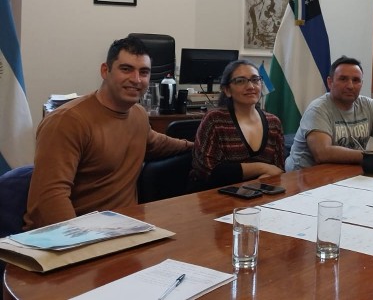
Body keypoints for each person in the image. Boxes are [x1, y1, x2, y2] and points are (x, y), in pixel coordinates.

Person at [24, 36, 193, 229]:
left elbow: (157, 143)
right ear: (105, 71)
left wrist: (195, 146)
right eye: (126, 69)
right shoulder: (67, 121)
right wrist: (81, 241)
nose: (136, 79)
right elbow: (50, 197)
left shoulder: (138, 114)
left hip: (126, 229)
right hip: (73, 235)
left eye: (144, 72)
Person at [285, 56, 373, 171]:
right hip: (305, 175)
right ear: (330, 82)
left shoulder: (369, 105)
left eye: (356, 80)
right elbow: (322, 153)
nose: (350, 86)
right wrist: (371, 156)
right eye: (343, 79)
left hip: (342, 173)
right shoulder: (318, 109)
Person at [189, 60, 284, 190]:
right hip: (213, 196)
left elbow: (278, 169)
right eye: (240, 81)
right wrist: (262, 168)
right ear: (227, 90)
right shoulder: (215, 120)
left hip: (260, 194)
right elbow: (208, 171)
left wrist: (256, 185)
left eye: (255, 80)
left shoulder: (274, 123)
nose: (250, 86)